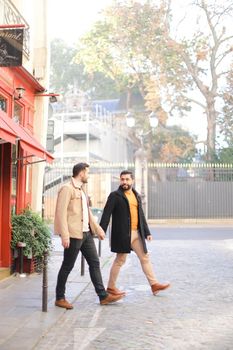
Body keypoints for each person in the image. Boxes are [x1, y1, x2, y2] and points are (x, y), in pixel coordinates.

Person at [54, 162, 124, 309]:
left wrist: (98, 229)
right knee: (68, 265)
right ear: (81, 173)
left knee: (94, 263)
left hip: (86, 234)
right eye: (87, 172)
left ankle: (103, 296)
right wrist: (64, 235)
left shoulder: (82, 190)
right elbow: (60, 213)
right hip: (73, 234)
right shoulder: (67, 189)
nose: (89, 175)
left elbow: (88, 213)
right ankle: (60, 298)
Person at [100, 170, 170, 296]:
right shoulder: (115, 195)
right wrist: (101, 230)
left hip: (137, 233)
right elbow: (107, 213)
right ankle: (111, 287)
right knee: (120, 260)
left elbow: (141, 215)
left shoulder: (136, 195)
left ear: (132, 181)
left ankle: (154, 285)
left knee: (145, 257)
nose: (124, 182)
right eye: (122, 179)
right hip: (123, 234)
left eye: (127, 179)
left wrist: (147, 232)